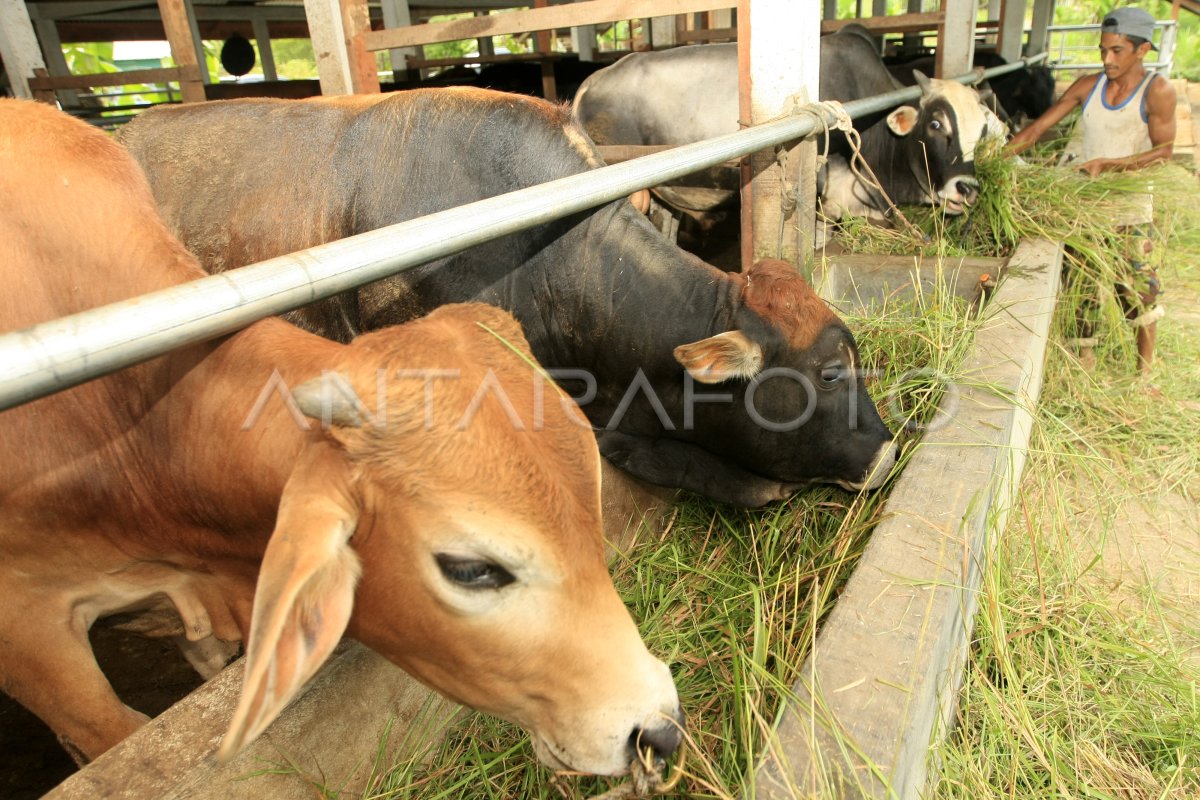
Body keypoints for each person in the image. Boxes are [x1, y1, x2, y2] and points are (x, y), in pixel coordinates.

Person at [1006, 6, 1176, 374]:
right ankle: (1085, 361)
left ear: (1142, 49)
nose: (1106, 59)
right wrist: (996, 158)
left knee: (1137, 286)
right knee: (1083, 283)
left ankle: (1143, 372)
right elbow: (1036, 131)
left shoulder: (1157, 91)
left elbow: (1164, 152)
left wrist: (1111, 165)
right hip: (1084, 203)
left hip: (1129, 205)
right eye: (1102, 50)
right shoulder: (1088, 85)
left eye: (1116, 51)